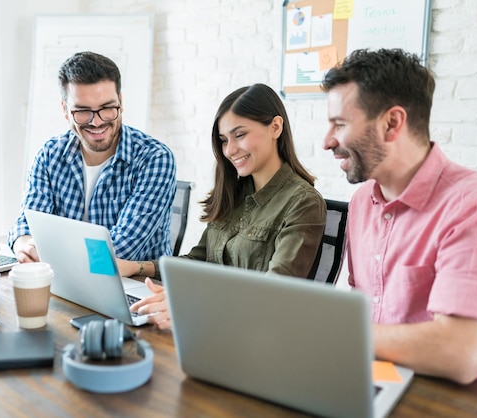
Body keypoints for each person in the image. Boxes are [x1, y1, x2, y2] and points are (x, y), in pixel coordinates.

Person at [321, 48, 477, 384]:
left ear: (392, 123)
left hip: (446, 399)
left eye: (339, 124)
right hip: (380, 379)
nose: (327, 141)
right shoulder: (363, 201)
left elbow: (460, 353)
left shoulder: (472, 206)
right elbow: (363, 309)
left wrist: (334, 335)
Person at [120, 83, 326, 329]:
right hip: (212, 323)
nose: (229, 150)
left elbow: (275, 293)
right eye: (224, 140)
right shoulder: (234, 193)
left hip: (254, 333)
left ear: (275, 127)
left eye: (240, 135)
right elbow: (201, 260)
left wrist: (190, 301)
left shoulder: (302, 202)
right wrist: (137, 267)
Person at [8, 51, 176, 262]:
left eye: (107, 108)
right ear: (65, 110)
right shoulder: (49, 156)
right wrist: (25, 246)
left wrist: (50, 253)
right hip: (63, 278)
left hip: (136, 287)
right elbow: (26, 224)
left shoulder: (155, 159)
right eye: (83, 111)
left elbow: (120, 249)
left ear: (121, 102)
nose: (97, 122)